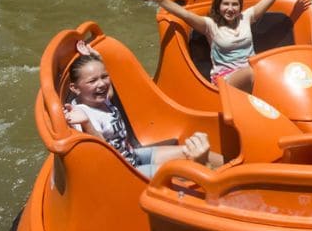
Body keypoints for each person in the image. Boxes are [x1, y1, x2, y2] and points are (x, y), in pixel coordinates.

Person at [126, 0, 310, 92]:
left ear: (240, 6)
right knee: (255, 70)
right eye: (226, 4)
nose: (230, 9)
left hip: (253, 72)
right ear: (218, 6)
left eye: (235, 5)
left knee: (280, 69)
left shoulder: (247, 17)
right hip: (227, 80)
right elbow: (183, 14)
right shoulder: (209, 25)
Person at [61, 49, 222, 175]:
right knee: (186, 168)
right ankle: (225, 185)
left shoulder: (101, 97)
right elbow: (101, 155)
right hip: (124, 172)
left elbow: (108, 90)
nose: (101, 84)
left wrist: (97, 58)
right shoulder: (83, 114)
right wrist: (86, 123)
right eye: (92, 80)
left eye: (104, 76)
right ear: (75, 88)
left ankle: (235, 168)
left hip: (132, 156)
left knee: (189, 151)